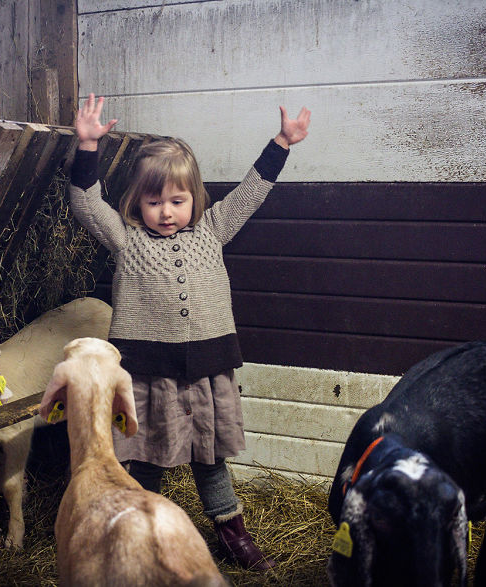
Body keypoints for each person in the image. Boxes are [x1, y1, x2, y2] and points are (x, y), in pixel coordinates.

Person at [68, 93, 310, 571]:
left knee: (210, 455)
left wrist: (282, 142)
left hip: (206, 366)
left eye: (177, 201)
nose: (165, 211)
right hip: (147, 370)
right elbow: (84, 202)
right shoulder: (126, 238)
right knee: (148, 457)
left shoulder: (213, 230)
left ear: (194, 199)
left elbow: (252, 190)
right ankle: (142, 532)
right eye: (153, 201)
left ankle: (231, 531)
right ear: (137, 202)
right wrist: (88, 147)